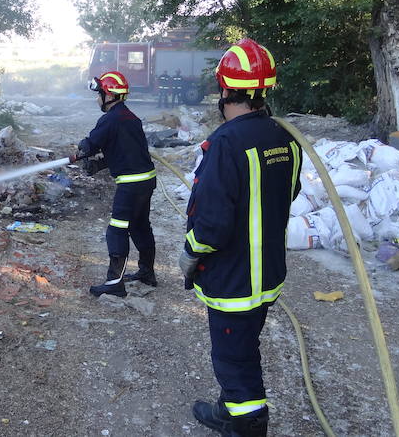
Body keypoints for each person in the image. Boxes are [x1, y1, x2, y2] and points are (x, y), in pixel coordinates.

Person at [179, 38, 301, 437]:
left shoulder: (226, 143)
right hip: (268, 274)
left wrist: (189, 252)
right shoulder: (287, 140)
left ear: (224, 89)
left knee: (232, 357)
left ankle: (246, 424)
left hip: (233, 277)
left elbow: (211, 224)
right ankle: (231, 409)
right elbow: (288, 195)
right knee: (244, 346)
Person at [71, 71, 157, 297]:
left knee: (116, 231)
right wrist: (98, 166)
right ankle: (147, 273)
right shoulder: (130, 117)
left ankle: (114, 284)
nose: (97, 98)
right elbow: (124, 152)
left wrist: (83, 148)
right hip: (146, 181)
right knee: (139, 226)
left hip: (130, 185)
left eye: (99, 93)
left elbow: (89, 145)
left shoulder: (109, 119)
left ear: (109, 94)